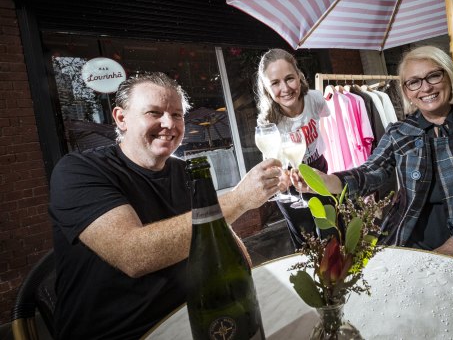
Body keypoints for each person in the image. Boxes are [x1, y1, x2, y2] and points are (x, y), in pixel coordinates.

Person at [293, 46, 453, 295]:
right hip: (412, 239)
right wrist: (326, 180)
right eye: (414, 82)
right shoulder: (399, 133)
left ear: (449, 77)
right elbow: (371, 173)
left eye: (433, 76)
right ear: (406, 92)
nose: (425, 87)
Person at [49, 72, 283, 340]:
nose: (169, 123)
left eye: (177, 114)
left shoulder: (187, 172)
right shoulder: (79, 171)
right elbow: (132, 254)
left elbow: (236, 260)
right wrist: (239, 200)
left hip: (193, 316)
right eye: (154, 112)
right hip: (120, 333)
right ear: (121, 118)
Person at [255, 48, 333, 249]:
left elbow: (325, 123)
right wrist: (280, 179)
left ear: (299, 77)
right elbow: (270, 160)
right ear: (266, 88)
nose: (285, 88)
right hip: (289, 180)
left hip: (318, 170)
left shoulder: (315, 99)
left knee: (331, 229)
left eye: (289, 78)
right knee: (306, 241)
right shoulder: (267, 121)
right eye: (275, 83)